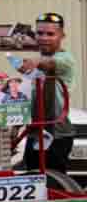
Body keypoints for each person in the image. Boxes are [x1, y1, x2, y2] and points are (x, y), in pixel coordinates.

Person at [24, 12, 76, 173]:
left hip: (57, 133)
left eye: (50, 34)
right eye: (40, 33)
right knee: (32, 178)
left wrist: (37, 61)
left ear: (62, 35)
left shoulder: (65, 59)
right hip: (34, 133)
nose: (44, 38)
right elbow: (29, 98)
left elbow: (50, 64)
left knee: (53, 182)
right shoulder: (36, 64)